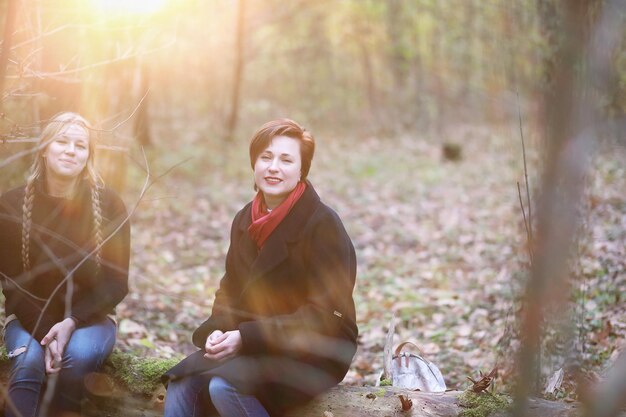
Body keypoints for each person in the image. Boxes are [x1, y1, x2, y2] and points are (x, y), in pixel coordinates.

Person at [163, 119, 358, 417]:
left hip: (315, 349)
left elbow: (324, 315)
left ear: (301, 170)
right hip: (256, 340)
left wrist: (245, 337)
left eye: (286, 159)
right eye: (266, 157)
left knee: (223, 387)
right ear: (254, 163)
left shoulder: (323, 225)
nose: (273, 167)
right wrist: (218, 331)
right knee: (182, 383)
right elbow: (230, 290)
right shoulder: (245, 220)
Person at [0, 112, 131, 417]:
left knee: (78, 356)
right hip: (28, 316)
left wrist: (71, 322)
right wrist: (47, 333)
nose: (71, 151)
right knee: (27, 361)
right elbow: (13, 285)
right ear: (44, 148)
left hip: (91, 319)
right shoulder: (9, 206)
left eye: (80, 145)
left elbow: (116, 283)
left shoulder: (110, 205)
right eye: (62, 141)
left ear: (88, 156)